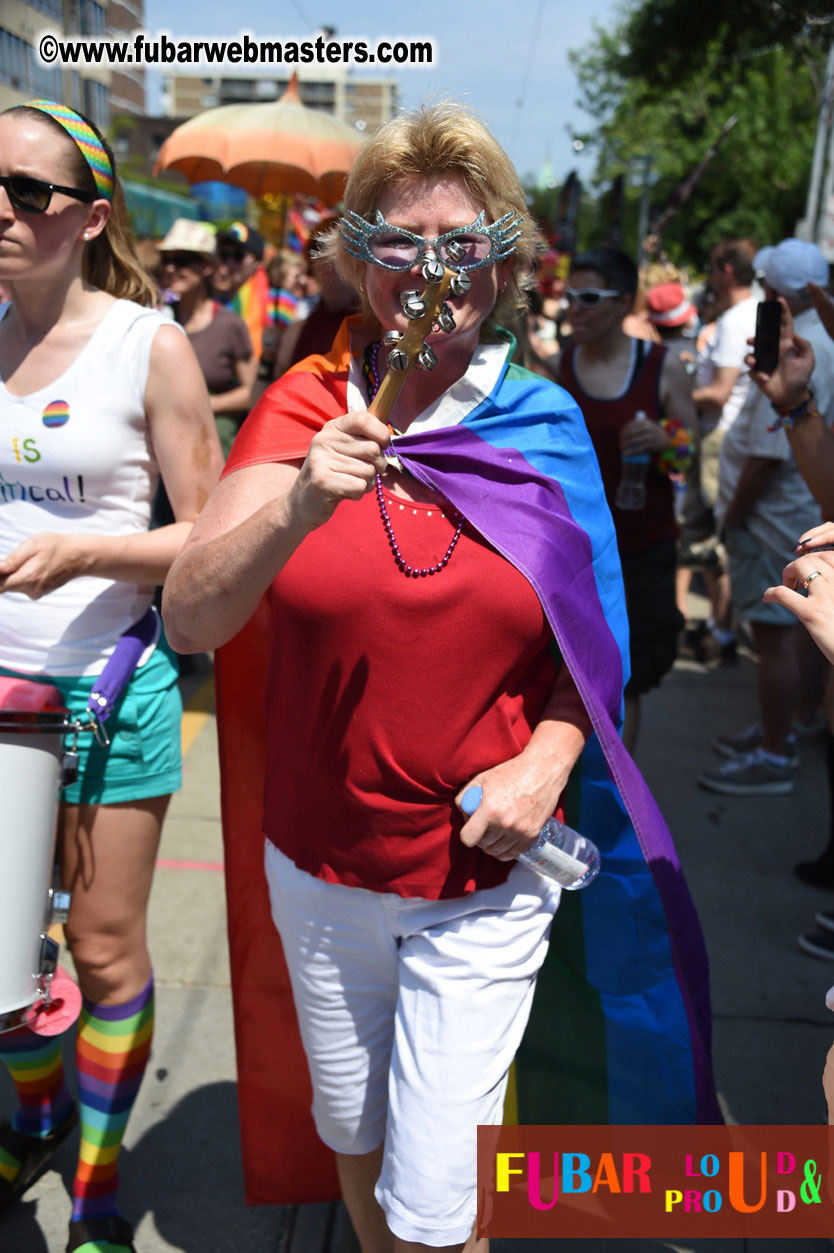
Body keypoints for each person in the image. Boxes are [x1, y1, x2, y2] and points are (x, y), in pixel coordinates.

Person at [163, 102, 719, 1253]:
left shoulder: (545, 424)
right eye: (401, 241)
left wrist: (548, 759)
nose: (431, 270)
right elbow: (192, 613)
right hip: (319, 871)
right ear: (360, 255)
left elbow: (596, 654)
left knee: (439, 1204)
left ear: (504, 261)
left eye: (461, 244)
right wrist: (301, 505)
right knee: (358, 1140)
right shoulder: (304, 408)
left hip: (480, 881)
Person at [0, 100, 222, 1253]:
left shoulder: (152, 342)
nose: (2, 208)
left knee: (100, 950)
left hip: (107, 691)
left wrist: (85, 550)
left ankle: (92, 1188)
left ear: (87, 218)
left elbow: (217, 530)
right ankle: (36, 1108)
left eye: (27, 193)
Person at [697, 239, 834, 798]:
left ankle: (775, 751)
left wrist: (733, 514)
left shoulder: (816, 344)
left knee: (777, 642)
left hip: (774, 525)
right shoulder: (817, 345)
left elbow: (765, 459)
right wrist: (793, 406)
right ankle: (791, 731)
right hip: (795, 524)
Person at [557, 248, 696, 751]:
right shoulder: (559, 367)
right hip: (575, 551)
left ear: (622, 305)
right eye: (570, 297)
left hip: (642, 549)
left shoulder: (661, 367)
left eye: (589, 298)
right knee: (570, 676)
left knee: (627, 677)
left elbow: (689, 453)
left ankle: (619, 800)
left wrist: (667, 441)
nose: (575, 309)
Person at [158, 218, 255, 462]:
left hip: (208, 448)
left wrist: (210, 403)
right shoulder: (157, 318)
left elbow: (251, 392)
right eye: (166, 260)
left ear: (207, 267)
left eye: (181, 260)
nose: (170, 268)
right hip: (159, 445)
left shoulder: (229, 324)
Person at [212, 221, 271, 360]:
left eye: (238, 256)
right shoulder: (212, 295)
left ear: (258, 262)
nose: (229, 263)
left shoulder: (275, 302)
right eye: (224, 255)